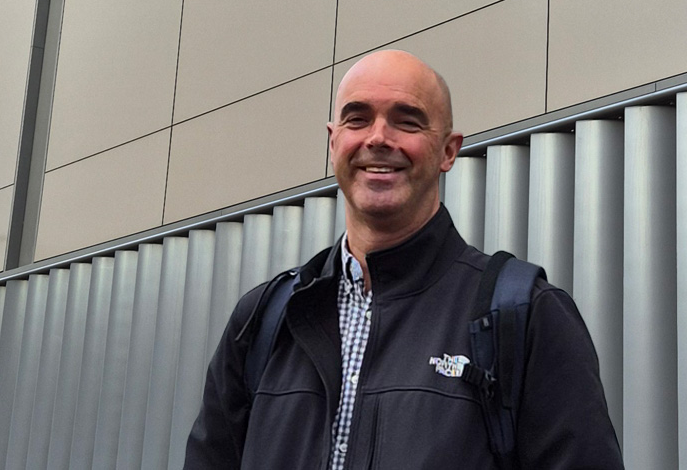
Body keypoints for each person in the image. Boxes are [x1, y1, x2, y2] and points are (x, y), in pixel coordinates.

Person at [185, 50, 622, 469]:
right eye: (357, 118)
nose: (378, 138)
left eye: (406, 121)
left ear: (448, 152)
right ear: (334, 142)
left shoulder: (524, 315)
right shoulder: (264, 320)